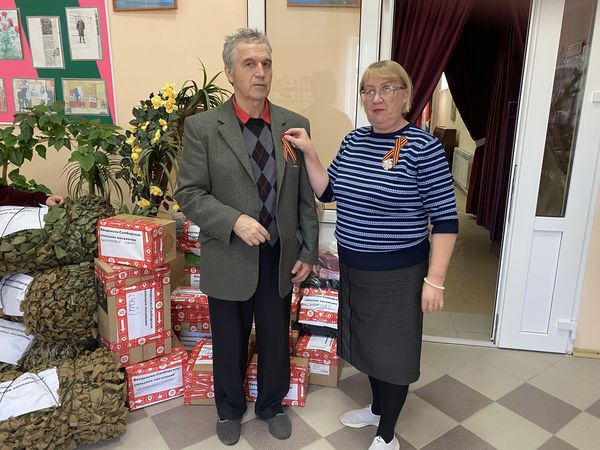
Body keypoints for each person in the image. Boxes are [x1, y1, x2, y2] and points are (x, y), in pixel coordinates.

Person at [283, 60, 458, 450]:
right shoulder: (354, 141)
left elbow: (446, 220)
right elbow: (328, 190)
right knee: (368, 345)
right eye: (369, 90)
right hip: (355, 267)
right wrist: (310, 151)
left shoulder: (423, 147)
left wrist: (435, 281)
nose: (376, 98)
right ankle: (378, 409)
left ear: (405, 95)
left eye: (387, 89)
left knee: (393, 352)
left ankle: (387, 435)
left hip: (399, 272)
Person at [174, 28, 318, 446]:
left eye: (266, 64)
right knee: (229, 340)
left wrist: (308, 249)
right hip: (229, 252)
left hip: (279, 254)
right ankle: (229, 409)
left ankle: (272, 405)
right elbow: (189, 192)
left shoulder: (294, 125)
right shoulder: (203, 127)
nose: (260, 72)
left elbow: (304, 196)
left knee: (275, 338)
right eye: (249, 64)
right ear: (229, 72)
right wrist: (233, 220)